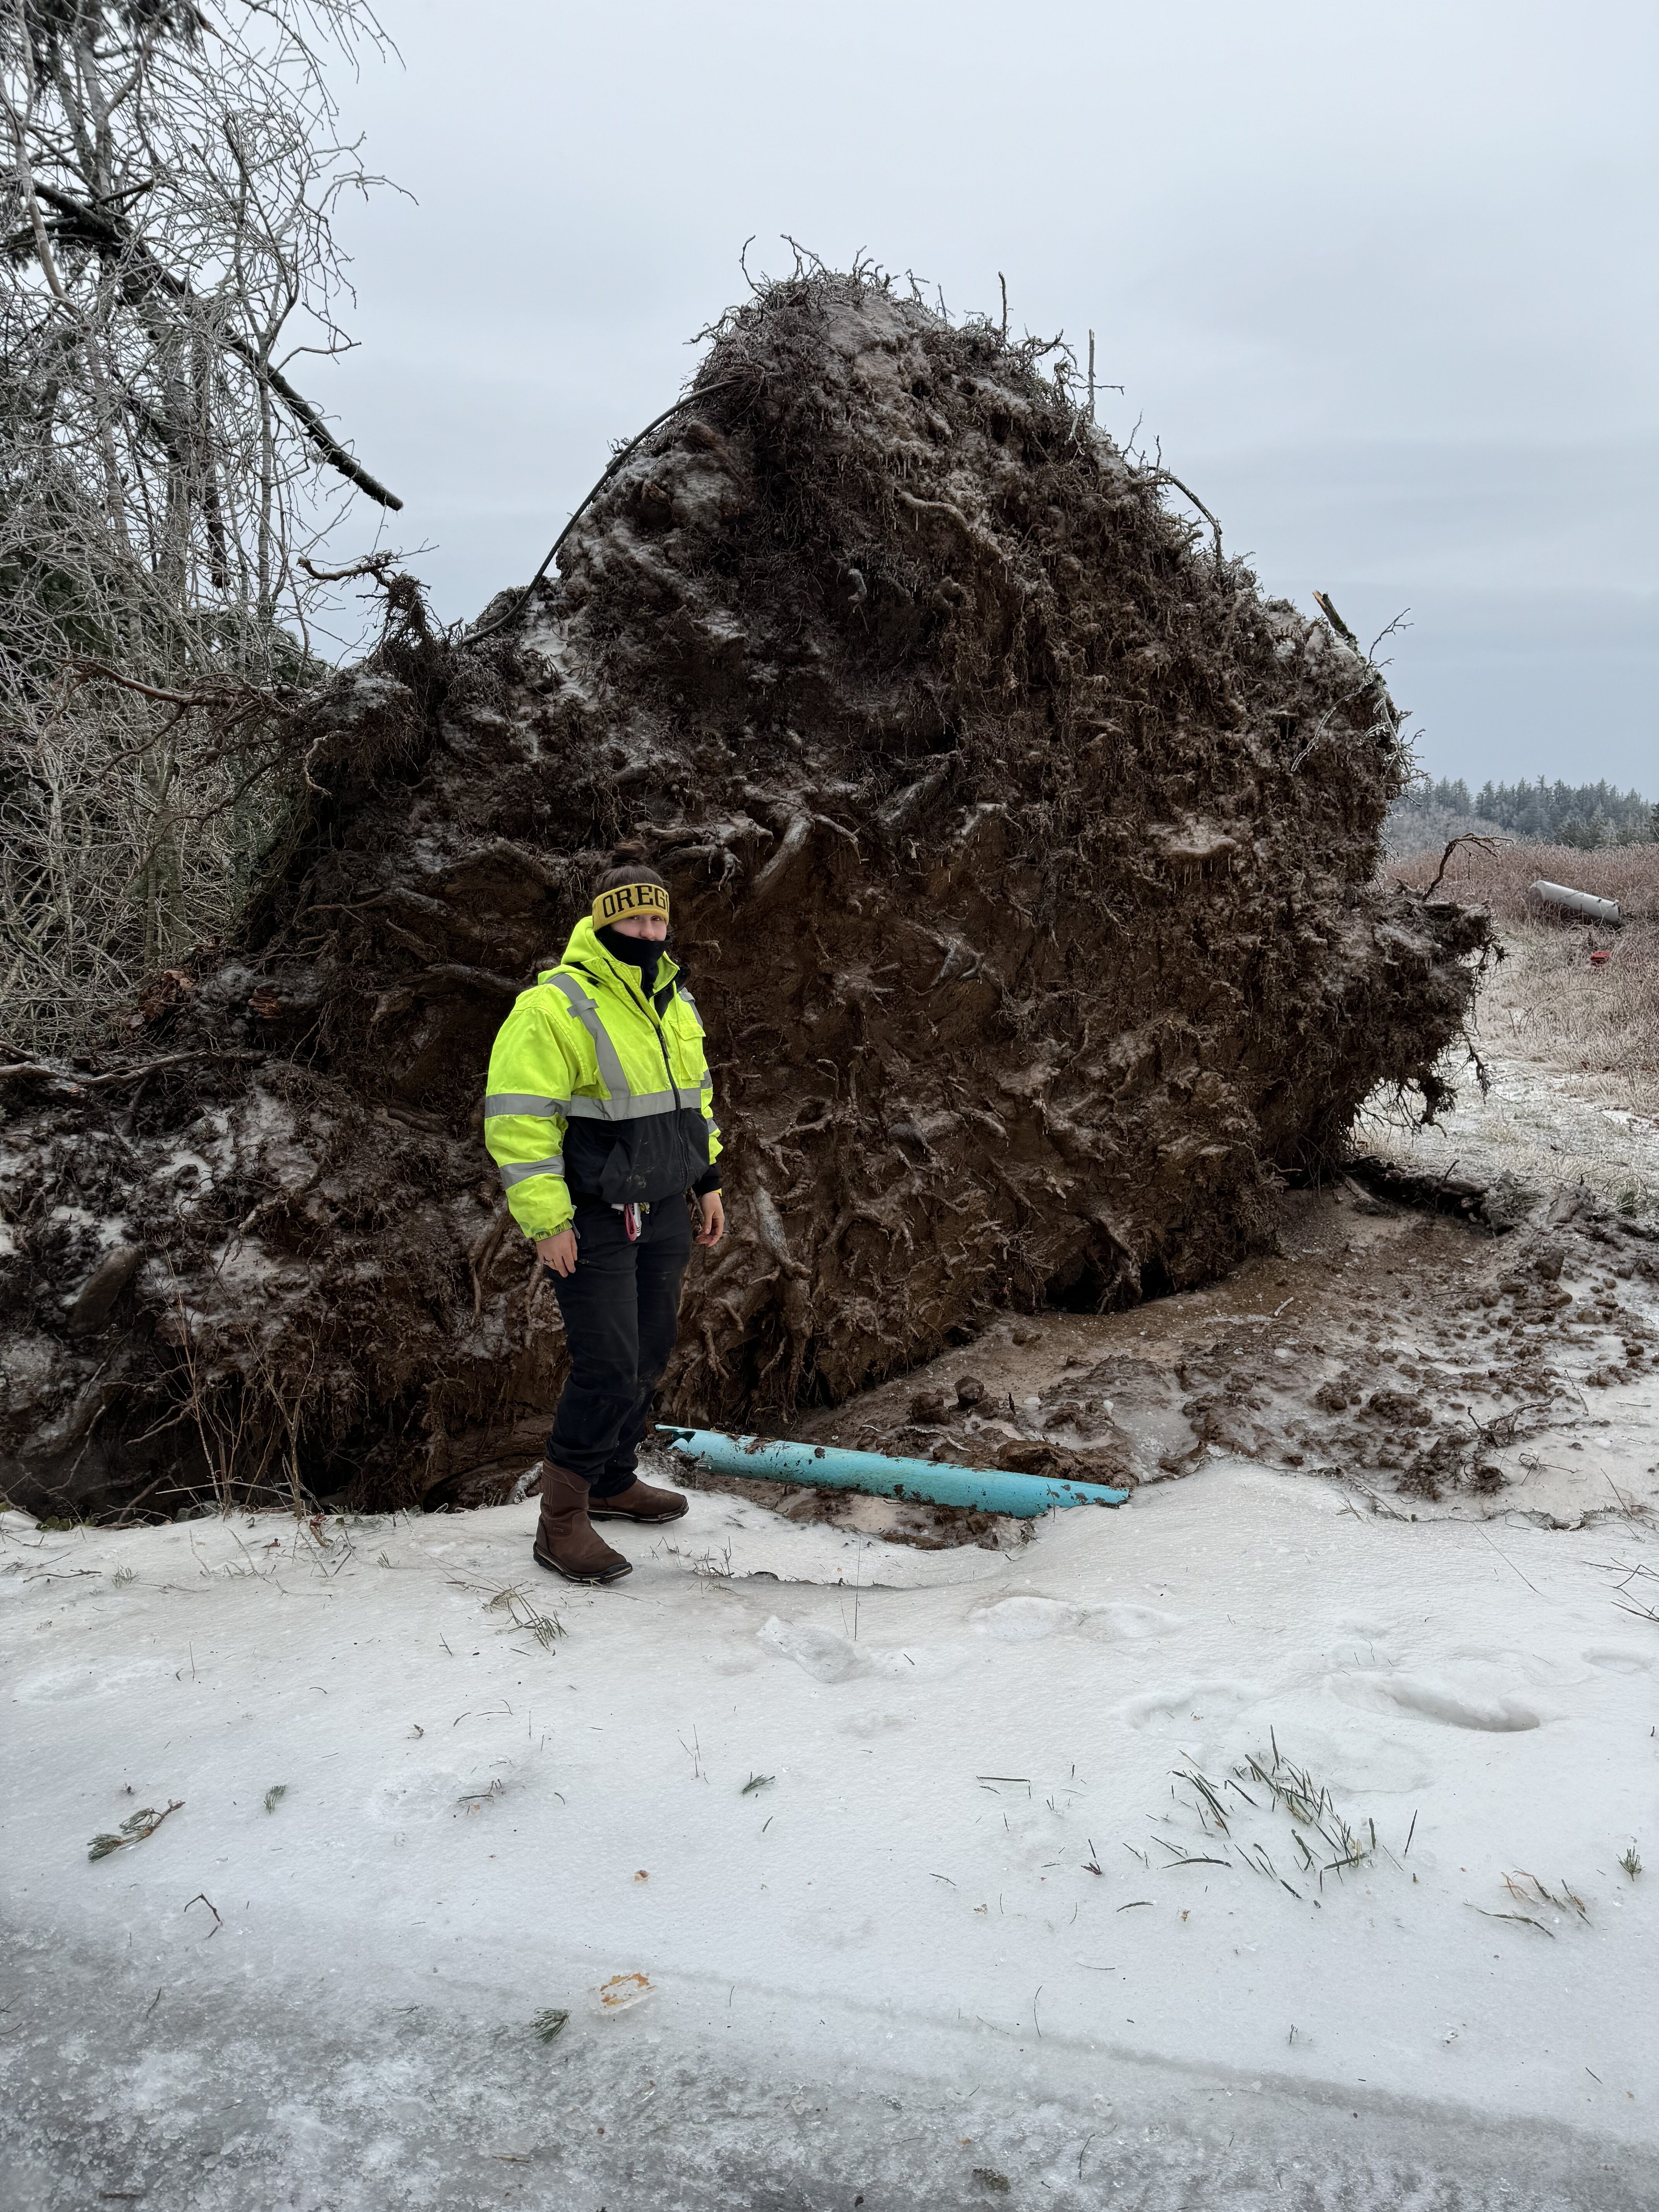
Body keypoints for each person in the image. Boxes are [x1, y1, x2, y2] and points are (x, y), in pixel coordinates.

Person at [483, 850, 725, 1583]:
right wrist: (546, 1221)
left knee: (650, 1353)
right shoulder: (555, 1005)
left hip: (664, 1209)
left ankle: (615, 1479)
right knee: (608, 1365)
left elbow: (695, 1100)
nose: (650, 932)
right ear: (602, 924)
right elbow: (518, 1122)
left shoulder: (673, 998)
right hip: (592, 1216)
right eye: (636, 919)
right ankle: (561, 1521)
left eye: (659, 918)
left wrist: (708, 1181)